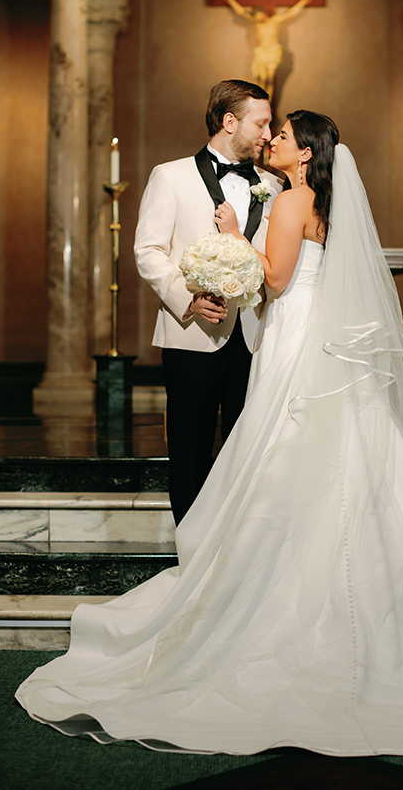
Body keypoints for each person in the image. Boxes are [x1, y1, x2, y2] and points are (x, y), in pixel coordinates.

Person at [17, 112, 403, 756]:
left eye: (281, 134)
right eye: (270, 130)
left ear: (305, 152)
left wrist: (230, 244)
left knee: (286, 451)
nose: (272, 140)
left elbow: (276, 280)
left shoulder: (289, 199)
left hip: (294, 338)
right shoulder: (323, 204)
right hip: (315, 336)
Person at [134, 80, 281, 524]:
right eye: (261, 122)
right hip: (191, 338)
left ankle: (237, 556)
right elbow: (148, 251)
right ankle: (191, 562)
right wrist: (188, 298)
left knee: (249, 453)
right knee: (190, 450)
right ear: (229, 121)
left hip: (257, 339)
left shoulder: (274, 185)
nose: (268, 134)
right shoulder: (170, 175)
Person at [223, 0, 312, 101]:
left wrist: (303, 2)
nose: (258, 19)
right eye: (256, 18)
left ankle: (268, 103)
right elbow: (242, 12)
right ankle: (260, 101)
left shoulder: (274, 21)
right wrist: (231, 0)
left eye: (259, 16)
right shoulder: (256, 23)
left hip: (273, 52)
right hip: (261, 52)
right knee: (262, 79)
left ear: (263, 13)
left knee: (270, 78)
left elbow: (290, 13)